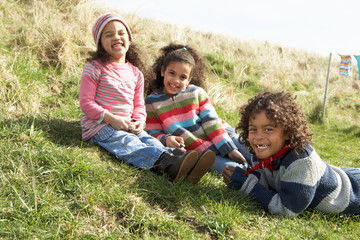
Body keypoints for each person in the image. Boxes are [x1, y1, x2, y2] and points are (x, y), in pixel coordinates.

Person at [79, 13, 215, 184]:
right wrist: (110, 118)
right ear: (100, 42)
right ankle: (168, 166)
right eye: (109, 34)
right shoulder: (94, 68)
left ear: (129, 38)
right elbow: (86, 103)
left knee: (148, 140)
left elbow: (138, 105)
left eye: (121, 33)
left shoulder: (135, 73)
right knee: (129, 144)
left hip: (128, 125)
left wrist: (139, 121)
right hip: (100, 127)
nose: (116, 37)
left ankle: (182, 161)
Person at [222, 91, 360, 217]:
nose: (258, 137)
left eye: (268, 129)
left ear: (288, 132)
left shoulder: (302, 162)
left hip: (354, 191)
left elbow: (287, 209)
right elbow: (266, 186)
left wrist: (245, 185)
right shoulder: (260, 151)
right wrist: (241, 178)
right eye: (253, 129)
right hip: (342, 174)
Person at [145, 43, 251, 175]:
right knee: (235, 171)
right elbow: (153, 132)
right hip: (204, 152)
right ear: (162, 71)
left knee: (254, 153)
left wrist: (229, 149)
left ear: (189, 80)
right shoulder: (151, 102)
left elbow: (211, 122)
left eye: (182, 77)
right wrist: (166, 139)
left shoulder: (197, 93)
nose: (176, 80)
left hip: (224, 136)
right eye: (172, 73)